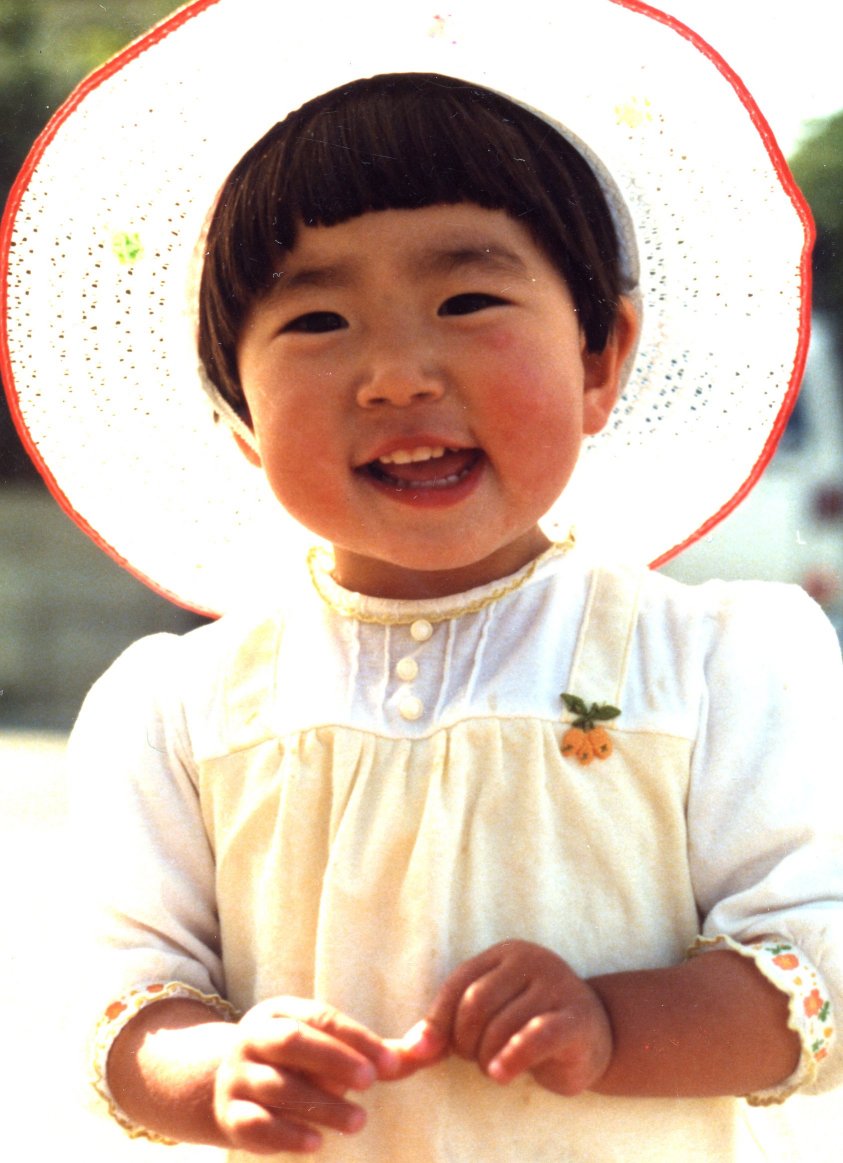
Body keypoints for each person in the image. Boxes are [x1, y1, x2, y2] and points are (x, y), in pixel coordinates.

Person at [2, 3, 841, 1160]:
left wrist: (611, 1023)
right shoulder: (183, 710)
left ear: (600, 355)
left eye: (468, 301)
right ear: (239, 414)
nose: (396, 374)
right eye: (318, 318)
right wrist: (213, 1068)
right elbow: (118, 1005)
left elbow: (814, 977)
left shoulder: (714, 668)